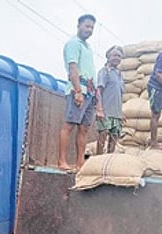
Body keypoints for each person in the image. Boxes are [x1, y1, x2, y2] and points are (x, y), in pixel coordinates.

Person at [58, 14, 102, 172]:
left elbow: (91, 73)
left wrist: (96, 101)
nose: (89, 30)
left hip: (89, 92)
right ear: (79, 25)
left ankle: (80, 162)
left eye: (92, 28)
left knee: (84, 129)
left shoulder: (88, 47)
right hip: (78, 90)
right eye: (87, 26)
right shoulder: (73, 43)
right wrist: (77, 91)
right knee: (69, 125)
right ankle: (62, 161)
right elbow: (73, 68)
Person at [96, 46, 125, 155]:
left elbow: (120, 95)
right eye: (114, 55)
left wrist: (121, 112)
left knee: (114, 137)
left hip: (116, 113)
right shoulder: (104, 72)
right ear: (108, 57)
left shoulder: (120, 75)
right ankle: (99, 159)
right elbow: (98, 90)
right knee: (103, 135)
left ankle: (109, 159)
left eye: (119, 56)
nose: (116, 58)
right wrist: (99, 108)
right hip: (105, 111)